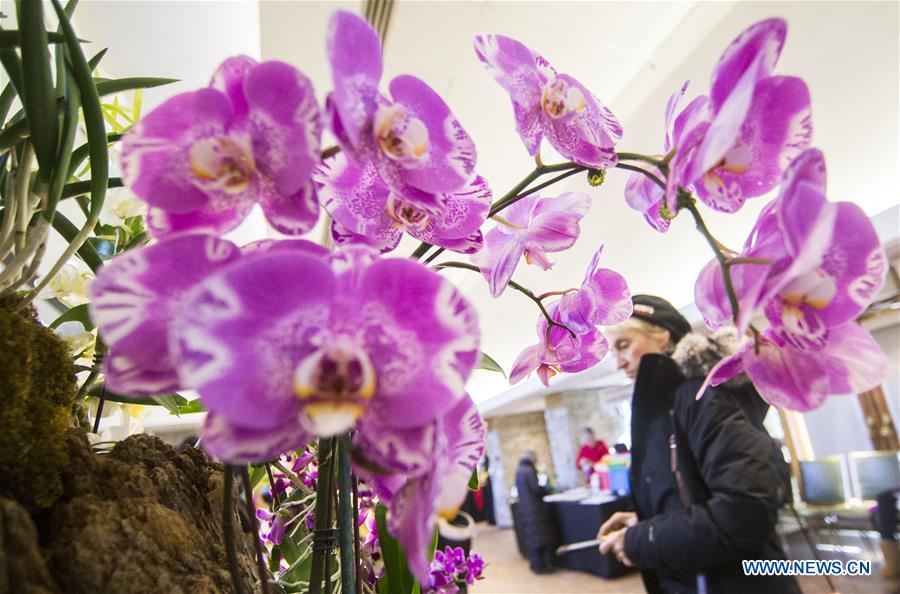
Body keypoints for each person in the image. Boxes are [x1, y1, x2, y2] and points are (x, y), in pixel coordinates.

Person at [598, 294, 800, 594]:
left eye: (624, 345)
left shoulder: (703, 397)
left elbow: (744, 511)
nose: (618, 363)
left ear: (662, 336)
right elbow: (693, 495)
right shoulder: (667, 409)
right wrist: (645, 520)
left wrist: (643, 538)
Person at [514, 450, 557, 574]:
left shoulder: (519, 470)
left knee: (533, 538)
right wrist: (546, 490)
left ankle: (536, 565)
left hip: (525, 509)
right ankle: (546, 565)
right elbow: (535, 488)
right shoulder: (529, 470)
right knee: (542, 538)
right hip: (536, 509)